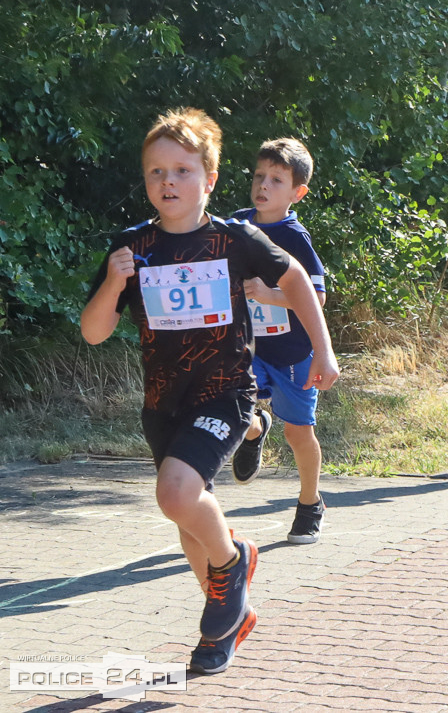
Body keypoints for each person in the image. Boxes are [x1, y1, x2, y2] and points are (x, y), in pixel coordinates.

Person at [80, 108, 339, 674]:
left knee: (175, 494)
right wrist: (115, 281)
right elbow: (95, 332)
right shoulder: (134, 246)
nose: (167, 182)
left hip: (224, 393)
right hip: (163, 403)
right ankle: (225, 620)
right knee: (188, 522)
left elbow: (294, 279)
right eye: (155, 172)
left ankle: (236, 563)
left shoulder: (234, 238)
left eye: (181, 170)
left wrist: (323, 349)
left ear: (211, 179)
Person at [229, 138, 329, 544]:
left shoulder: (294, 236)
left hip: (292, 353)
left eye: (276, 179)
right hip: (247, 347)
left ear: (297, 193)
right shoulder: (236, 225)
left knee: (298, 433)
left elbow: (317, 298)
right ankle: (254, 429)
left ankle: (310, 503)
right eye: (259, 176)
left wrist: (270, 294)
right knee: (231, 409)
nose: (263, 186)